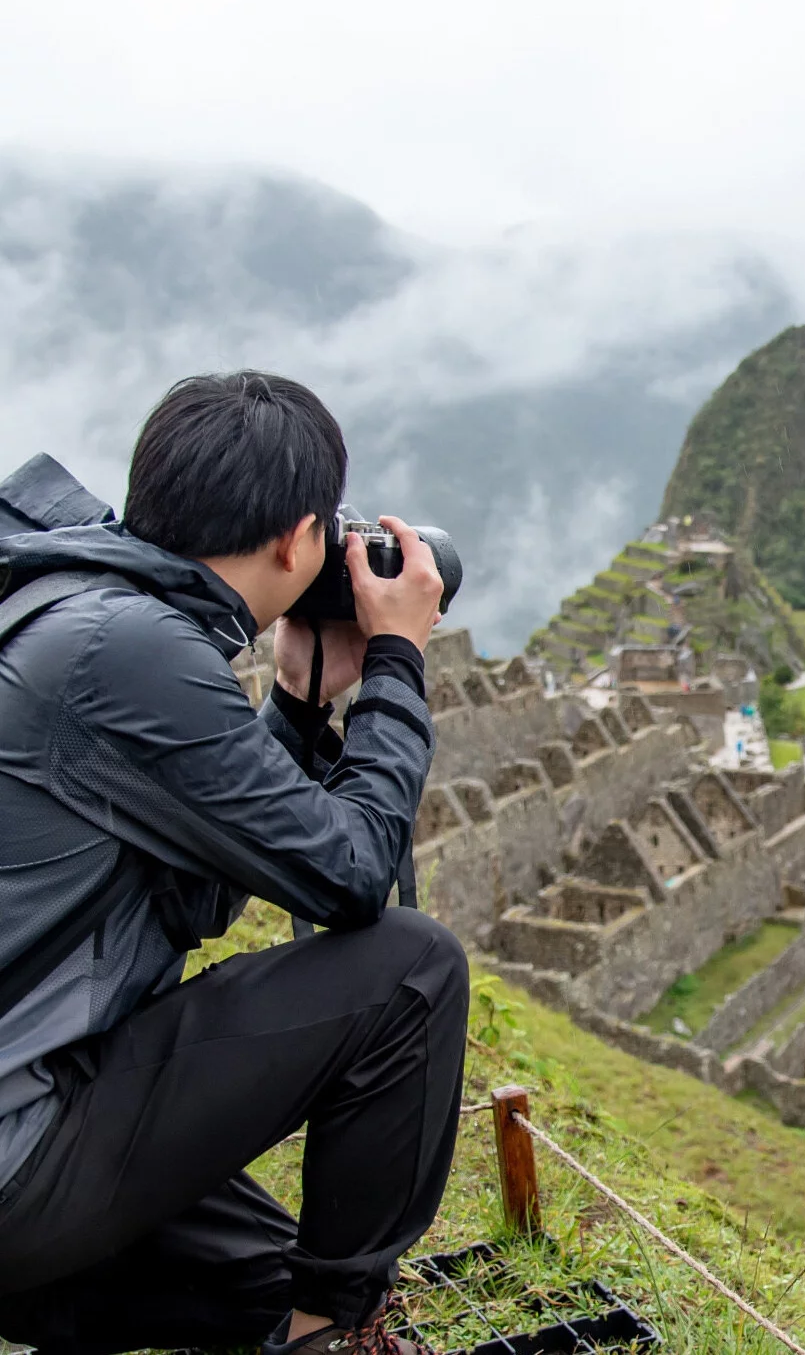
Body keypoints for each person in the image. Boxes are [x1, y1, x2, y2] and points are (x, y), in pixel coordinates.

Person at [0, 374, 467, 1355]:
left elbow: (198, 893)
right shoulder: (128, 647)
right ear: (301, 539)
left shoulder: (82, 608)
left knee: (264, 1272)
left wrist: (298, 701)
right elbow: (348, 875)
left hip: (38, 1108)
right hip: (18, 1153)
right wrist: (395, 661)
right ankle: (327, 1339)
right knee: (412, 971)